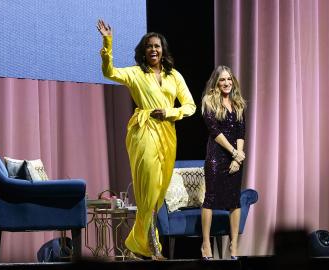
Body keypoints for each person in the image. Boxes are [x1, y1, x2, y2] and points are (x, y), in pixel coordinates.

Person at [96, 19, 196, 260]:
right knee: (149, 189)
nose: (153, 49)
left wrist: (172, 112)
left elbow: (191, 106)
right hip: (144, 130)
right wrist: (107, 42)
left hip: (167, 134)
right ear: (143, 51)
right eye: (149, 46)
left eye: (157, 46)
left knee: (158, 192)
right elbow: (109, 72)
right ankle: (153, 247)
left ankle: (133, 246)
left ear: (163, 50)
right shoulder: (136, 73)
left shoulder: (174, 76)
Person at [200, 65, 246, 260]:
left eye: (229, 79)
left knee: (234, 201)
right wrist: (234, 152)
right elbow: (215, 132)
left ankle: (234, 246)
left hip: (235, 157)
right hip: (216, 157)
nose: (226, 83)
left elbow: (240, 132)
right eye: (222, 80)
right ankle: (206, 244)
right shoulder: (209, 102)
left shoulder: (238, 103)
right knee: (210, 199)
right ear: (216, 83)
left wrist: (239, 156)